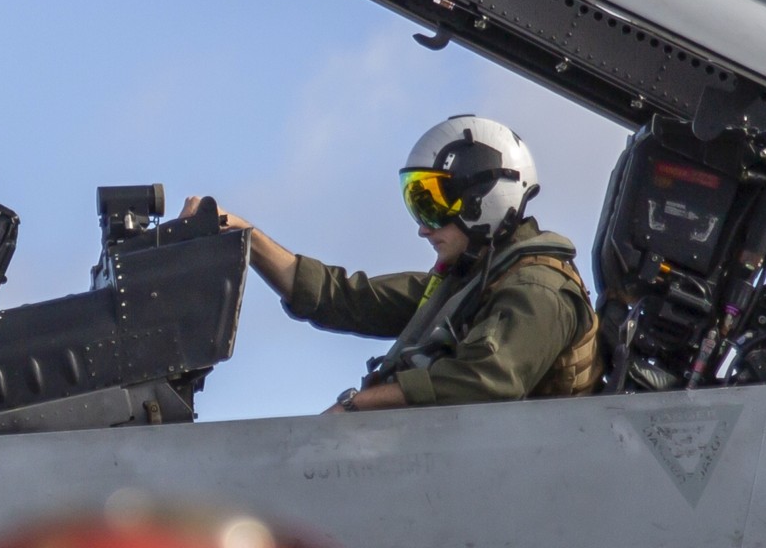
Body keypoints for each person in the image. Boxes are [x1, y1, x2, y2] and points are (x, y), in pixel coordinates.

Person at [189, 115, 597, 413]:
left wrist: (360, 405)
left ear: (485, 201)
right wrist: (244, 235)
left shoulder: (539, 290)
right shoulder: (468, 281)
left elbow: (485, 380)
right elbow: (343, 298)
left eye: (434, 205)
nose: (423, 229)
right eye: (417, 203)